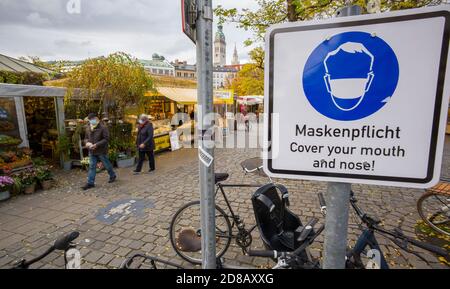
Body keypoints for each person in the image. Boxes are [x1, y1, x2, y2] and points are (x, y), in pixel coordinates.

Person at [82, 113, 117, 190]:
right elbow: (85, 138)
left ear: (96, 118)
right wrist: (87, 143)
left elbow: (106, 139)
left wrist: (96, 145)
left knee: (107, 165)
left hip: (101, 151)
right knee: (92, 166)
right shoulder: (88, 127)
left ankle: (112, 175)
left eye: (92, 119)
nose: (91, 121)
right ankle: (90, 183)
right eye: (90, 120)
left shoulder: (103, 127)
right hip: (92, 151)